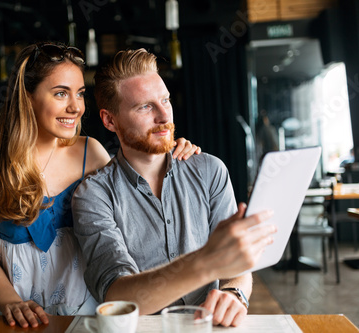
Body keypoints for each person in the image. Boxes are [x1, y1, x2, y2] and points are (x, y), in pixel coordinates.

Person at [0, 42, 201, 328]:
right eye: (61, 93)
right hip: (23, 320)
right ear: (27, 99)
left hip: (91, 316)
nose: (75, 107)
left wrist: (168, 152)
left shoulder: (92, 153)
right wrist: (10, 301)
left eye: (80, 93)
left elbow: (140, 191)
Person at [72, 49, 277, 327]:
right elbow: (118, 295)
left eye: (165, 100)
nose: (163, 116)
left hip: (209, 326)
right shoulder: (93, 195)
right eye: (145, 107)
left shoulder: (210, 171)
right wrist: (206, 261)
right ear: (110, 120)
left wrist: (235, 293)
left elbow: (238, 267)